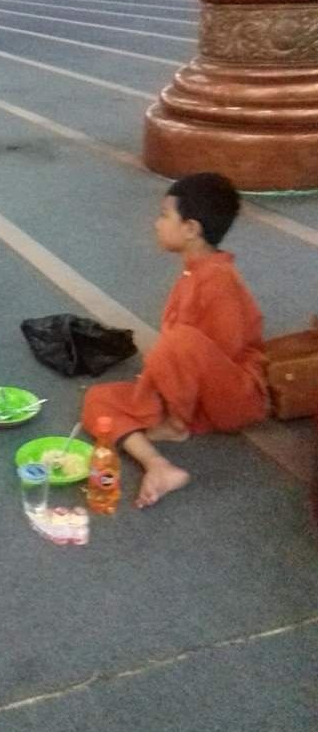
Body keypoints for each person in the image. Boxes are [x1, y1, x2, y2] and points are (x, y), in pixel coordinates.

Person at [81, 172, 268, 510]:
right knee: (98, 399)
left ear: (191, 229)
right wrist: (160, 383)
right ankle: (157, 464)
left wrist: (169, 399)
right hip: (192, 390)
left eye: (165, 215)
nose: (156, 223)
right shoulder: (194, 271)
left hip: (233, 397)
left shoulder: (220, 282)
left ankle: (176, 426)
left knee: (180, 341)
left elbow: (218, 356)